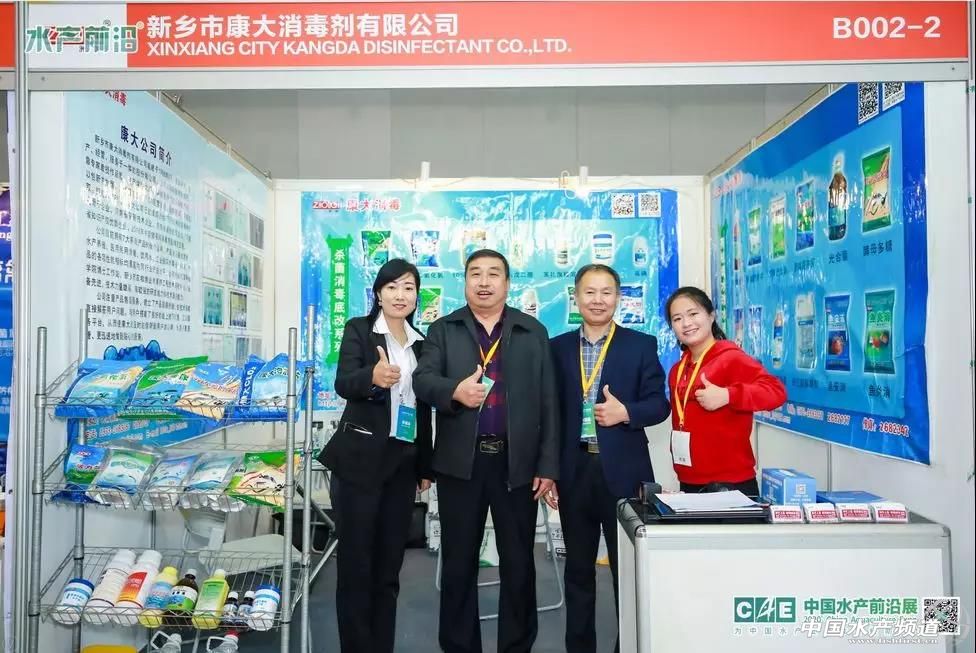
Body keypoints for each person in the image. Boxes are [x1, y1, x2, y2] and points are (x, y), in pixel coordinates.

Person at [413, 249, 559, 653]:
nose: (484, 281)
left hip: (518, 464)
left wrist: (548, 464)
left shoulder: (532, 331)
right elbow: (423, 380)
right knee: (459, 564)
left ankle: (517, 645)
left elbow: (549, 402)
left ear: (507, 284)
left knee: (519, 563)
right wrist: (454, 391)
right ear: (464, 282)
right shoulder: (444, 329)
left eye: (493, 274)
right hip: (461, 464)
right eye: (475, 273)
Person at [547, 264, 670, 653]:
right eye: (589, 292)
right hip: (574, 471)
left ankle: (627, 646)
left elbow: (659, 404)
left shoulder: (640, 345)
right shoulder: (557, 348)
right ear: (576, 297)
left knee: (627, 570)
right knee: (578, 571)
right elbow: (549, 414)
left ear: (617, 297)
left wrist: (626, 412)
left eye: (606, 292)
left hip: (625, 472)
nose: (597, 300)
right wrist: (549, 471)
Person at [318, 258, 434, 653]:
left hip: (402, 463)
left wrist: (425, 464)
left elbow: (423, 408)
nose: (401, 295)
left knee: (388, 569)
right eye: (393, 287)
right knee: (356, 568)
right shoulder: (360, 330)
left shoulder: (422, 342)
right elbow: (343, 382)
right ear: (379, 294)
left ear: (417, 296)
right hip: (359, 463)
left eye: (409, 288)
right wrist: (372, 377)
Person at [665, 286, 787, 494]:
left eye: (693, 314)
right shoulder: (677, 370)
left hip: (731, 483)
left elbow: (776, 392)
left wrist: (728, 395)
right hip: (689, 480)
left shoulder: (730, 358)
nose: (686, 323)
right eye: (677, 319)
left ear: (711, 316)